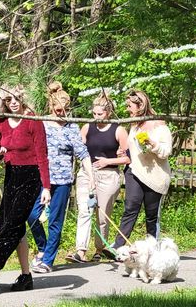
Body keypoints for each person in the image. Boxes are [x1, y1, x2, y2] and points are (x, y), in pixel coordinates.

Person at [0, 84, 51, 295]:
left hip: (31, 176)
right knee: (9, 225)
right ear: (3, 103)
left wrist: (46, 187)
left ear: (23, 98)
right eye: (8, 100)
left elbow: (42, 154)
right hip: (11, 175)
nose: (13, 102)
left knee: (12, 224)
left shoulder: (33, 120)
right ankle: (26, 276)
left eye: (16, 98)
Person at [26, 82, 96, 274]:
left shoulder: (72, 127)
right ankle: (42, 247)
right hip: (42, 178)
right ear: (51, 107)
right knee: (32, 215)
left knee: (56, 221)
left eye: (65, 110)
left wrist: (91, 177)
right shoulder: (42, 124)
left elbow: (83, 153)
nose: (61, 113)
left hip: (63, 180)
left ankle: (48, 261)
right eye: (58, 110)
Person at [66, 91, 130, 263]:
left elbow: (127, 158)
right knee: (84, 211)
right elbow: (79, 150)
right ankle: (80, 250)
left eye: (100, 114)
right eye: (94, 114)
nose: (96, 117)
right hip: (87, 173)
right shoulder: (87, 127)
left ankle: (99, 249)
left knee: (102, 215)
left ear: (108, 112)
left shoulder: (119, 130)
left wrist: (108, 160)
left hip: (109, 175)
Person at [112, 90, 173, 250]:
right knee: (130, 208)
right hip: (134, 172)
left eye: (129, 106)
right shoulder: (135, 125)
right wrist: (124, 152)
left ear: (141, 106)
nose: (127, 109)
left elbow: (166, 151)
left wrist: (153, 144)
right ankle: (118, 246)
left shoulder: (159, 125)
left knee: (151, 215)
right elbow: (134, 149)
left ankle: (152, 248)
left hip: (155, 176)